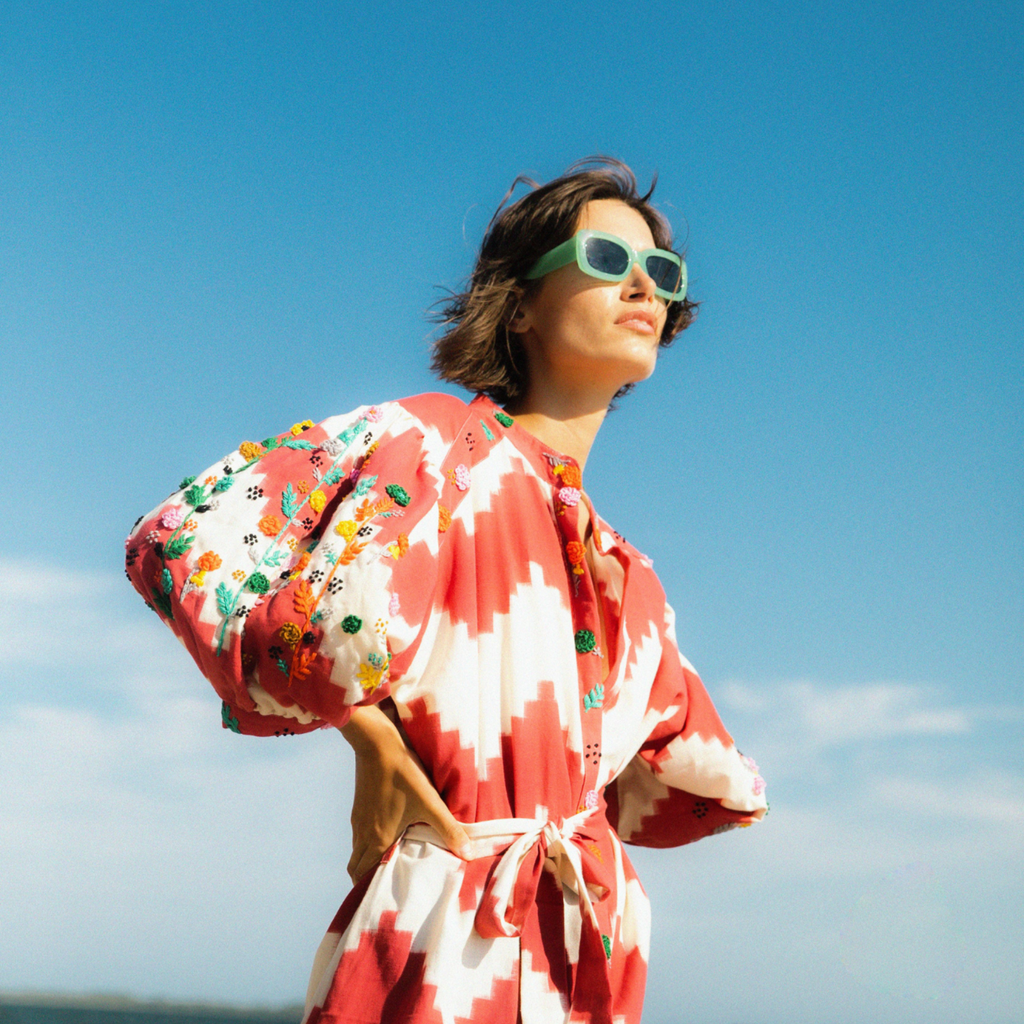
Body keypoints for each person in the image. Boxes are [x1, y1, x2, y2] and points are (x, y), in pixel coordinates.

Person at [124, 157, 767, 1024]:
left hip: (583, 956)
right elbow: (189, 538)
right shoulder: (434, 448)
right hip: (440, 940)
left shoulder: (631, 578)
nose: (643, 287)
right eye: (608, 262)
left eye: (661, 273)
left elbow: (674, 781)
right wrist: (369, 741)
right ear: (525, 302)